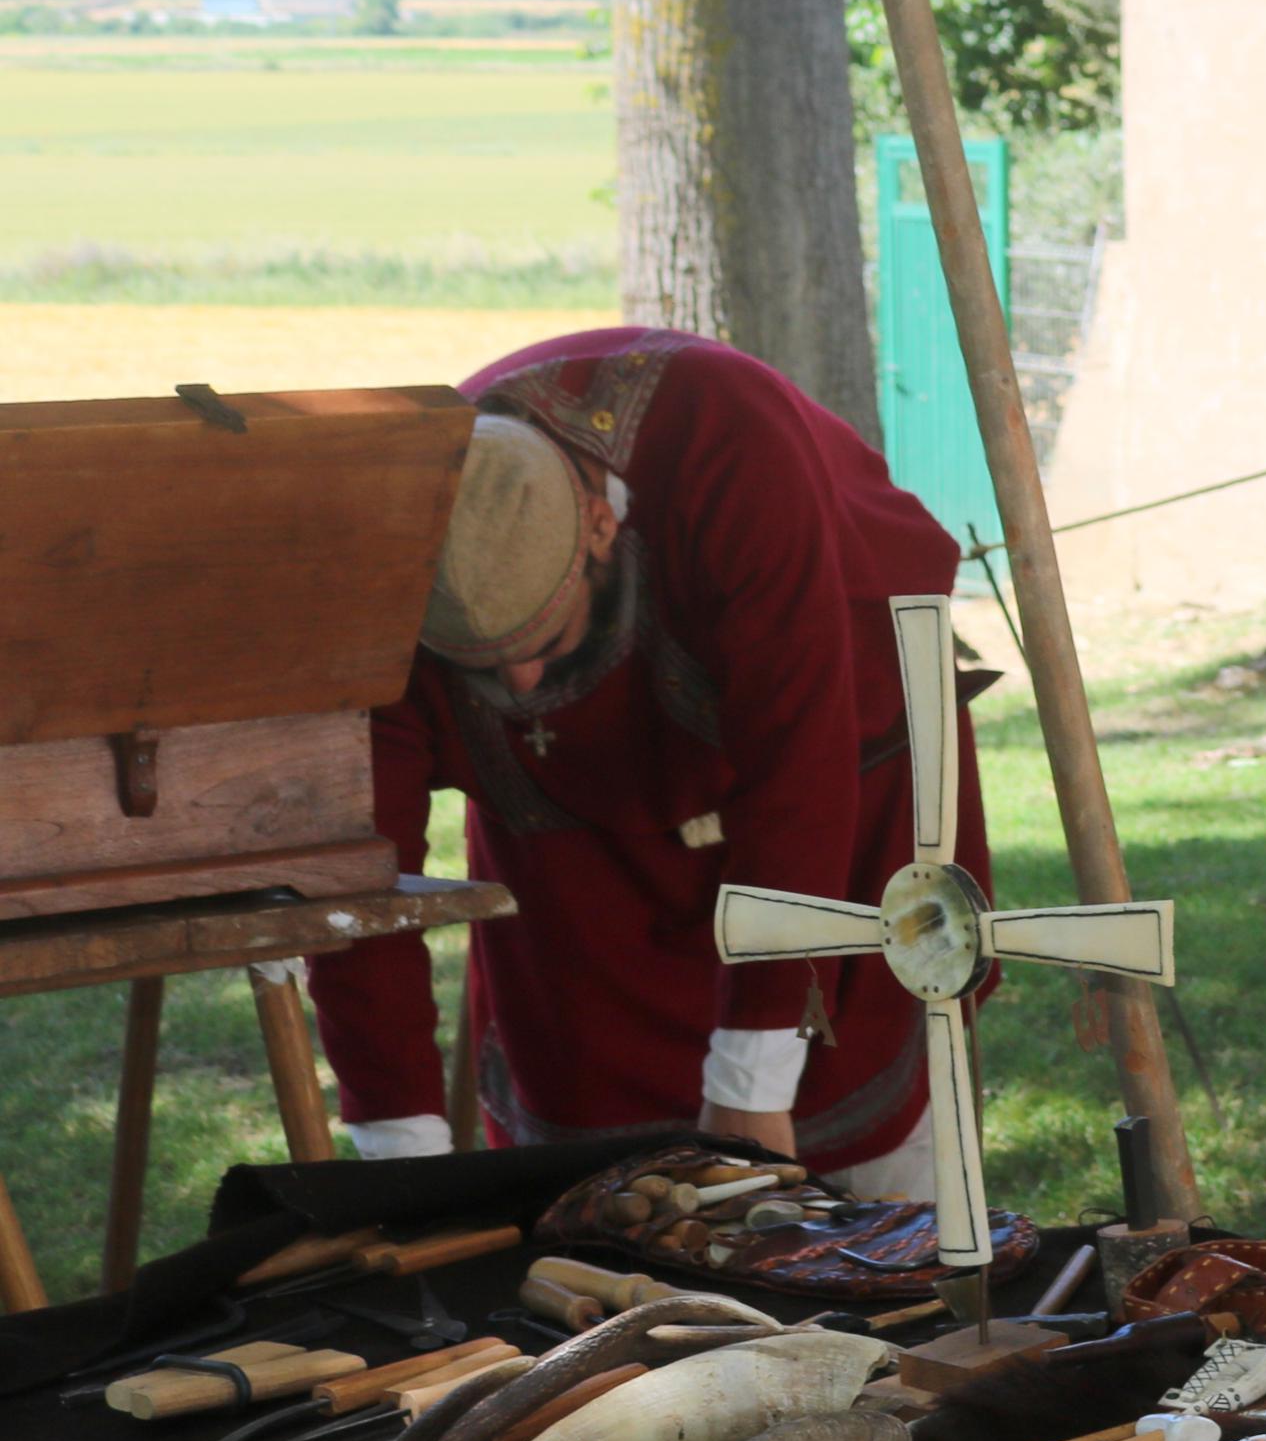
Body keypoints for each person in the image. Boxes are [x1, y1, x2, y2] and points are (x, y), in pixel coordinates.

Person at [312, 325, 985, 1194]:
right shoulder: (394, 557)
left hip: (839, 782)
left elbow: (798, 776)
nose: (518, 680)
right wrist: (402, 1175)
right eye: (482, 663)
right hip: (574, 835)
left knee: (871, 1195)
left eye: (542, 637)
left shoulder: (731, 446)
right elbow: (362, 882)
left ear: (598, 525)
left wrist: (750, 1083)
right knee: (594, 1177)